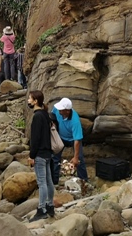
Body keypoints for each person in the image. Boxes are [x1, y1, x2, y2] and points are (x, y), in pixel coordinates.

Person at [27, 90, 55, 221]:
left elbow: (35, 138)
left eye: (30, 99)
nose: (28, 100)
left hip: (40, 154)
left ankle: (41, 209)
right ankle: (50, 206)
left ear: (35, 101)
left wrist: (31, 156)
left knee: (42, 183)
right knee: (49, 182)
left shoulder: (37, 116)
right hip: (48, 153)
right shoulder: (46, 115)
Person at [51, 97, 88, 183]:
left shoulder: (75, 121)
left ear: (67, 111)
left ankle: (83, 181)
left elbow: (77, 140)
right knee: (55, 158)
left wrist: (75, 157)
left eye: (61, 110)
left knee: (79, 159)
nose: (59, 111)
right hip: (60, 136)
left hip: (72, 139)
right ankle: (54, 181)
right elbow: (52, 116)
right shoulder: (57, 109)